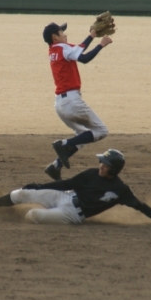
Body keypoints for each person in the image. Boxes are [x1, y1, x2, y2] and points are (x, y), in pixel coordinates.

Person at [0, 149, 151, 225]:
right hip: (64, 196)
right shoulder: (91, 173)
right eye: (101, 162)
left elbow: (140, 206)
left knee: (32, 215)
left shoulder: (120, 190)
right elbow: (66, 184)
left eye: (105, 164)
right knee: (22, 193)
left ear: (114, 169)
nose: (101, 165)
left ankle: (13, 216)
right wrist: (38, 187)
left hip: (73, 214)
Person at [41, 21, 113, 181]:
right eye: (61, 32)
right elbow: (84, 58)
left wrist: (92, 35)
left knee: (83, 135)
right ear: (55, 37)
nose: (65, 34)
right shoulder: (63, 48)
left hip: (60, 104)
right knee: (101, 130)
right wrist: (101, 44)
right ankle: (63, 144)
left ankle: (56, 166)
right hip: (72, 102)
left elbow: (79, 49)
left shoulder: (55, 50)